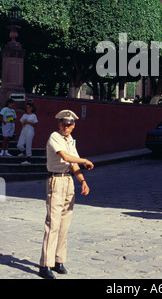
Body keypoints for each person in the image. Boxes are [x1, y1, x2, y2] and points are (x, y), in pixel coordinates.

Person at [39, 110, 94, 280]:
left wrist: (83, 181)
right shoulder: (54, 137)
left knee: (65, 223)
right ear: (59, 124)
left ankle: (58, 260)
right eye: (63, 123)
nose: (66, 126)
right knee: (53, 223)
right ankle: (45, 264)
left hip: (68, 182)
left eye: (69, 124)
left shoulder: (70, 140)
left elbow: (72, 163)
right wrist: (84, 160)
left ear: (74, 126)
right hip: (56, 181)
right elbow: (64, 156)